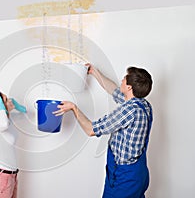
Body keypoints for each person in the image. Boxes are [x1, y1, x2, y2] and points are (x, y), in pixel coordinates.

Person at [53, 64, 153, 198]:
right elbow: (113, 90)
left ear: (129, 87)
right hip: (138, 173)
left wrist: (74, 108)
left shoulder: (129, 111)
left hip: (125, 178)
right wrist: (95, 72)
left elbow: (91, 130)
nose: (122, 80)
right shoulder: (143, 104)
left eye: (124, 78)